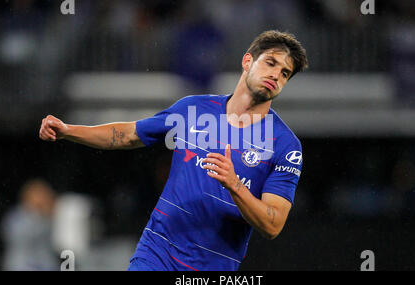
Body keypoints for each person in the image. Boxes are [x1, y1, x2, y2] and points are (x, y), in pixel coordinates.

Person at [39, 30, 308, 271]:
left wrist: (235, 185)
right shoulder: (192, 109)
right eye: (270, 63)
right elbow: (128, 134)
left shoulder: (285, 145)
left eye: (285, 73)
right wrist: (68, 131)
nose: (276, 75)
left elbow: (273, 225)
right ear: (247, 61)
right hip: (156, 253)